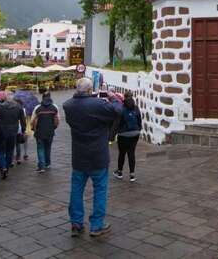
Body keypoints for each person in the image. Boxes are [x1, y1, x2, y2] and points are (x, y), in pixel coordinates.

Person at [63, 78, 122, 237]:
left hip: (79, 156)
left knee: (76, 190)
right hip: (98, 155)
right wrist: (113, 97)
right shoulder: (97, 105)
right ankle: (96, 224)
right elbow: (117, 110)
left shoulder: (68, 106)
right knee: (100, 190)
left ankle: (76, 222)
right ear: (90, 90)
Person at [113, 91, 142, 182]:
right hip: (135, 134)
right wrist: (138, 129)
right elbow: (139, 120)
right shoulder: (136, 108)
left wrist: (112, 135)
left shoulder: (121, 108)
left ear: (124, 98)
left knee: (122, 153)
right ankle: (132, 175)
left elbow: (117, 123)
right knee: (131, 153)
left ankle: (120, 172)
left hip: (123, 134)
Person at [0, 94, 26, 179]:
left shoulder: (0, 107)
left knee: (0, 151)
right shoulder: (18, 107)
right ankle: (7, 167)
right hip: (13, 131)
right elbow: (23, 120)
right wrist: (23, 130)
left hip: (2, 131)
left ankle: (3, 166)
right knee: (10, 150)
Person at [31, 92, 59, 173]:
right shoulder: (54, 108)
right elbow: (57, 120)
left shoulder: (38, 108)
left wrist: (33, 128)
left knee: (40, 149)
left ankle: (41, 166)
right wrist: (54, 127)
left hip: (39, 132)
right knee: (48, 148)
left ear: (42, 98)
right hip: (50, 132)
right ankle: (47, 163)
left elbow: (34, 120)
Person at [14, 98, 27, 165]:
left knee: (12, 145)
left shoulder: (12, 109)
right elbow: (23, 120)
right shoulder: (23, 110)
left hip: (13, 129)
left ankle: (11, 160)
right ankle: (18, 158)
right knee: (18, 144)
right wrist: (24, 129)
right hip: (19, 129)